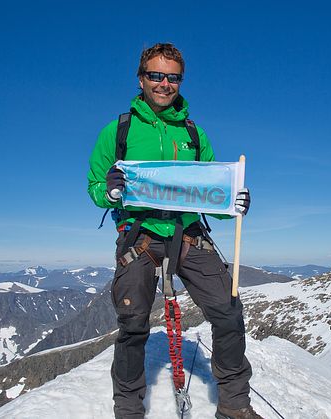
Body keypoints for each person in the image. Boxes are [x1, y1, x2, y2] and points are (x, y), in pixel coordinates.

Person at [87, 43, 261, 419]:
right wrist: (111, 189)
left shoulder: (194, 133)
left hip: (188, 232)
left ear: (180, 81)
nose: (164, 83)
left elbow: (213, 191)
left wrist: (235, 203)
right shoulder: (118, 130)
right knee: (133, 324)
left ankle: (234, 405)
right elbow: (94, 187)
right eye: (156, 75)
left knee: (228, 312)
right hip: (142, 235)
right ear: (141, 78)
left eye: (173, 77)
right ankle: (129, 409)